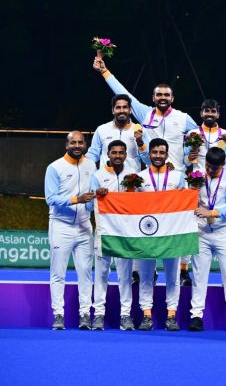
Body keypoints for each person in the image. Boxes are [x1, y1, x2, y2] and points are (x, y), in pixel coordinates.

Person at [93, 57, 199, 287]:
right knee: (145, 225)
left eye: (166, 95)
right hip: (149, 176)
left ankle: (182, 269)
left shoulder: (183, 118)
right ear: (153, 98)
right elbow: (125, 95)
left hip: (175, 178)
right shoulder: (145, 113)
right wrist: (105, 72)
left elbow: (202, 135)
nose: (162, 98)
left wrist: (194, 152)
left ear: (172, 98)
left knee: (181, 223)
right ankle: (141, 271)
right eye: (158, 95)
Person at [44, 131, 96, 330]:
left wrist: (92, 205)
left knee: (85, 273)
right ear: (66, 145)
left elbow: (90, 197)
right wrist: (77, 199)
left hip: (84, 227)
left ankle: (85, 314)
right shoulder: (55, 167)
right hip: (61, 226)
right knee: (58, 273)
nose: (77, 145)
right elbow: (51, 199)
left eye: (80, 142)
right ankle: (58, 314)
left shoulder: (91, 165)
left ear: (85, 144)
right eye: (73, 142)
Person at [187, 147, 226, 332]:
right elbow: (189, 203)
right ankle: (196, 316)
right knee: (199, 275)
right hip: (201, 230)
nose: (210, 171)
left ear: (223, 165)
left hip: (224, 231)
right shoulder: (197, 176)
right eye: (208, 166)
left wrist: (212, 212)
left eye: (214, 168)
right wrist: (191, 192)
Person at [134, 138, 186, 331]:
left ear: (167, 154)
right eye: (154, 152)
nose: (157, 156)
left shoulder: (177, 177)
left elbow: (184, 203)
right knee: (146, 276)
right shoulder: (139, 177)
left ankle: (171, 315)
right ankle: (146, 315)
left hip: (171, 233)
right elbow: (133, 206)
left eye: (161, 153)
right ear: (149, 154)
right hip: (148, 233)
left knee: (173, 276)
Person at [90, 140, 138, 331]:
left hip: (125, 235)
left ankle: (125, 315)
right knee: (101, 274)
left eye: (121, 152)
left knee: (124, 276)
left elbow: (139, 203)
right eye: (114, 152)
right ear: (107, 155)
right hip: (103, 233)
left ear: (126, 155)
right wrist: (96, 194)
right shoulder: (98, 175)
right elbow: (89, 202)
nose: (117, 156)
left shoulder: (133, 175)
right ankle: (99, 314)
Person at [87, 94, 148, 171]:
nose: (121, 111)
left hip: (131, 181)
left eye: (125, 107)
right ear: (113, 110)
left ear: (130, 110)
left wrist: (140, 142)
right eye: (118, 107)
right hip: (106, 180)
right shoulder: (101, 130)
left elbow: (148, 161)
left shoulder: (140, 132)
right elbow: (93, 155)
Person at [183, 98, 226, 170]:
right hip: (200, 179)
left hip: (222, 178)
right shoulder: (192, 134)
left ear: (218, 115)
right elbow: (185, 163)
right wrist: (189, 158)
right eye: (207, 111)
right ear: (201, 113)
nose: (210, 114)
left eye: (213, 111)